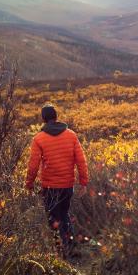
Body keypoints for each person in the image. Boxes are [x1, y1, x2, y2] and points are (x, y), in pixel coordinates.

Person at [25, 103, 88, 258]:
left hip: (49, 187)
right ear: (56, 117)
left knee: (53, 218)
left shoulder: (38, 138)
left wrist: (29, 184)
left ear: (43, 119)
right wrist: (83, 182)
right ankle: (71, 247)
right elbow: (81, 160)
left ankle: (60, 251)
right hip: (67, 185)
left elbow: (33, 165)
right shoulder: (71, 135)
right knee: (64, 214)